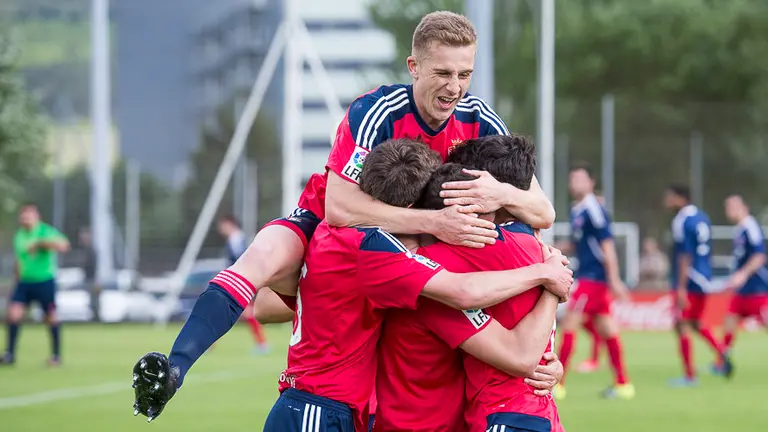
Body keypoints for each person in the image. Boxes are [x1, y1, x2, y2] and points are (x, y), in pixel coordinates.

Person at [131, 10, 556, 422]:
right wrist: (435, 224)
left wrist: (500, 191)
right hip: (336, 231)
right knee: (260, 261)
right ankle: (174, 368)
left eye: (464, 74)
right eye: (443, 73)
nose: (455, 87)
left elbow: (544, 211)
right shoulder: (378, 110)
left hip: (402, 252)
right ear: (414, 66)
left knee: (286, 309)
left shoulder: (480, 118)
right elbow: (339, 208)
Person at [262, 139, 570, 432]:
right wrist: (546, 278)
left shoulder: (360, 252)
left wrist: (547, 357)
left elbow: (270, 306)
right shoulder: (425, 280)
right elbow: (513, 349)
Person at [374, 136, 565, 432]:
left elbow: (521, 356)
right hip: (538, 413)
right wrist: (549, 279)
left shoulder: (433, 265)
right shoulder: (535, 246)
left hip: (502, 415)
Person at [553, 163, 634, 400]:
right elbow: (579, 244)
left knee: (569, 324)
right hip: (590, 277)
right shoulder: (577, 210)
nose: (575, 183)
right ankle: (623, 384)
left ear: (591, 183)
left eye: (580, 179)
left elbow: (607, 245)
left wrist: (615, 279)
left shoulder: (594, 209)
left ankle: (558, 384)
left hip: (594, 278)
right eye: (572, 179)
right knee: (608, 329)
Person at [664, 185, 731, 386]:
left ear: (681, 199)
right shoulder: (702, 217)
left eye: (670, 197)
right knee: (694, 323)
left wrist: (681, 287)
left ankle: (689, 376)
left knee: (681, 324)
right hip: (704, 277)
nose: (667, 201)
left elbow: (685, 255)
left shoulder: (682, 220)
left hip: (691, 278)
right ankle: (721, 350)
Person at [1, 203, 70, 366]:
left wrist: (40, 244)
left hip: (44, 282)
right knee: (13, 315)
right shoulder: (19, 236)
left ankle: (56, 356)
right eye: (23, 216)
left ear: (36, 217)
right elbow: (19, 259)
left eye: (29, 216)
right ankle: (9, 354)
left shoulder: (44, 231)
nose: (25, 219)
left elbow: (63, 245)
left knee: (51, 317)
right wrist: (16, 277)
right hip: (24, 283)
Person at [720, 195, 768, 371]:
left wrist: (743, 274)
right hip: (743, 289)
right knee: (729, 319)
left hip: (758, 287)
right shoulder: (739, 230)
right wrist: (734, 277)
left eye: (733, 207)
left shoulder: (751, 226)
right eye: (727, 207)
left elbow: (759, 256)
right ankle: (723, 361)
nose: (729, 211)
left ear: (744, 207)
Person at [216, 214, 268, 354]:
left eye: (222, 225)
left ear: (229, 224)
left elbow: (243, 259)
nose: (221, 229)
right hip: (236, 281)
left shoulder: (238, 239)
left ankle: (262, 344)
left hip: (240, 281)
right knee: (224, 311)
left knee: (230, 312)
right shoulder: (234, 239)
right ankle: (262, 344)